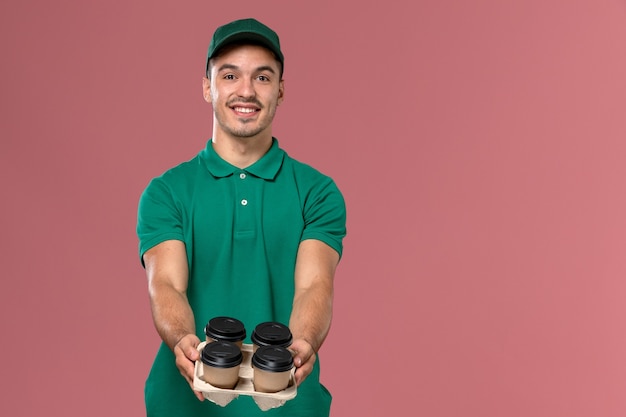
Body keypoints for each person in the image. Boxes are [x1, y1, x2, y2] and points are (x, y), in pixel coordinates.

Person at [136, 18, 347, 416]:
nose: (246, 91)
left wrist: (303, 343)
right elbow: (165, 284)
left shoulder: (318, 192)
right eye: (230, 75)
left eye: (263, 77)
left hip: (288, 405)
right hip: (184, 405)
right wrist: (183, 337)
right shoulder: (167, 192)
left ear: (281, 90)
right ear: (207, 87)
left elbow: (315, 286)